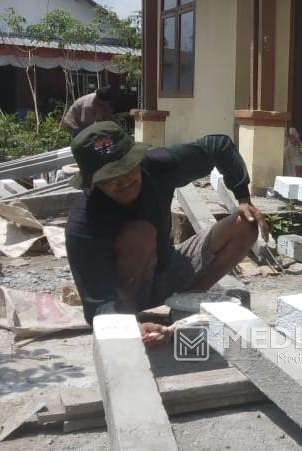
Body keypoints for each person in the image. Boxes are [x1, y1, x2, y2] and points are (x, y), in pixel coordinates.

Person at [65, 121, 268, 348]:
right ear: (93, 182)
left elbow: (219, 146)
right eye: (109, 178)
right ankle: (133, 317)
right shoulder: (84, 220)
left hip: (168, 268)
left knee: (245, 223)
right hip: (125, 293)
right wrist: (130, 328)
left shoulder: (159, 165)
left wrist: (243, 199)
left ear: (137, 159)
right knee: (139, 234)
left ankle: (186, 304)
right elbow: (97, 300)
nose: (123, 181)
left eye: (127, 168)